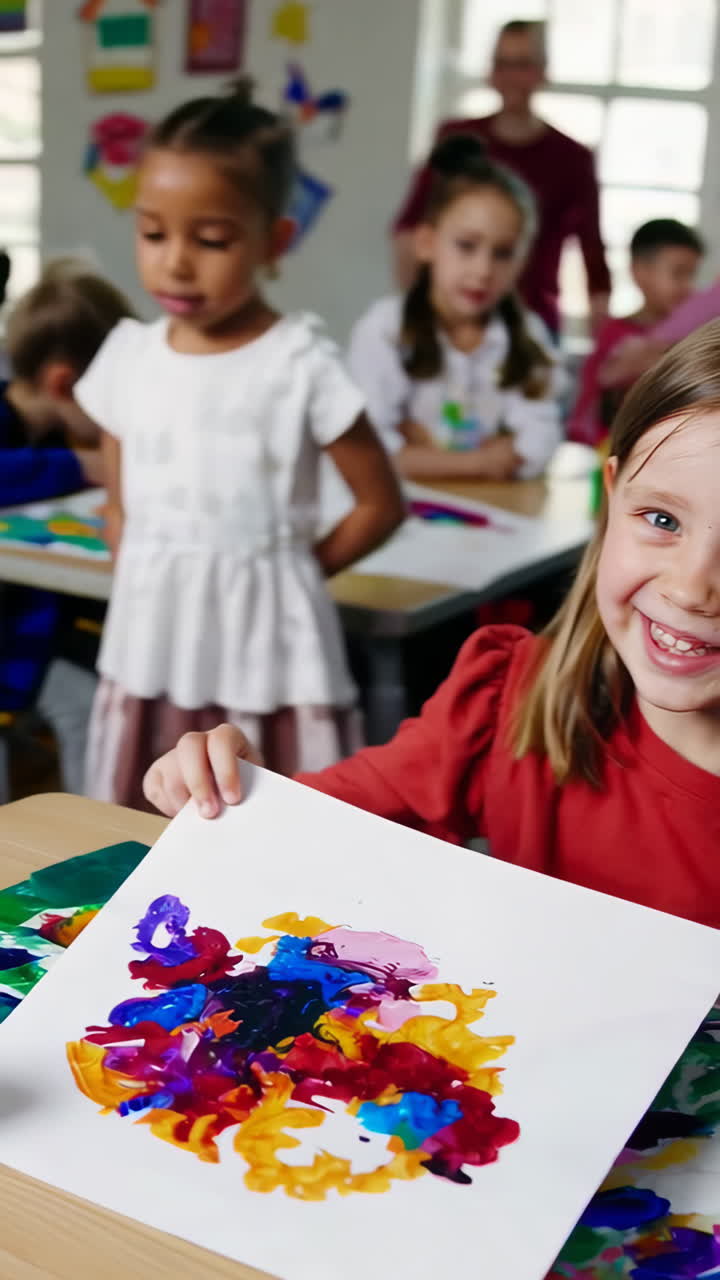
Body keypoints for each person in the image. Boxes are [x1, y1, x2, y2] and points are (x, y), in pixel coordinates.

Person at [145, 318, 720, 931]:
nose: (690, 588)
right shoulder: (509, 702)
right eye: (660, 519)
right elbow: (312, 833)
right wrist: (237, 791)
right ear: (611, 499)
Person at [74, 80, 404, 810]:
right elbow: (120, 504)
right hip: (150, 644)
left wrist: (290, 570)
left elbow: (381, 504)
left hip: (269, 652)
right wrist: (143, 563)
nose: (176, 263)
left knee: (265, 827)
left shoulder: (299, 363)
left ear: (273, 240)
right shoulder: (129, 356)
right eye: (153, 234)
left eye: (212, 239)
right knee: (138, 829)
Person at [348, 134, 562, 483]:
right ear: (426, 243)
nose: (483, 270)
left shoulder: (528, 334)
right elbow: (371, 452)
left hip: (497, 515)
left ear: (523, 261)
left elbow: (540, 443)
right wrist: (481, 461)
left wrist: (420, 453)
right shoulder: (384, 329)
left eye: (504, 253)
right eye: (466, 246)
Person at [0, 257, 134, 793]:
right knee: (89, 706)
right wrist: (82, 466)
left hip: (40, 644)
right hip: (15, 654)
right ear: (64, 384)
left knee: (95, 705)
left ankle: (94, 845)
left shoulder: (57, 435)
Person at [392, 19, 610, 336]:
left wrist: (603, 342)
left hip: (530, 322)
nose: (511, 76)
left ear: (542, 71)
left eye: (522, 64)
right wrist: (417, 311)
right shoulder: (456, 139)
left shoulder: (573, 158)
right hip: (449, 321)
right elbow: (410, 228)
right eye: (502, 64)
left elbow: (593, 253)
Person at [569, 218, 704, 446]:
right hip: (613, 449)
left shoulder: (691, 336)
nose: (687, 286)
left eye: (691, 275)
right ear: (640, 272)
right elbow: (593, 403)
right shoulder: (614, 334)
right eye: (679, 273)